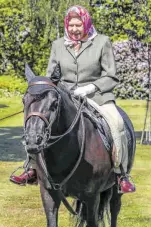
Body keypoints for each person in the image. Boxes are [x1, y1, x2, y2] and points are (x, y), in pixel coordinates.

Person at [10, 5, 135, 193]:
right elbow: (52, 77)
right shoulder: (58, 45)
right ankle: (32, 168)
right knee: (37, 123)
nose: (75, 29)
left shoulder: (102, 42)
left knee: (117, 123)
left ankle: (120, 173)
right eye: (71, 25)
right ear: (66, 25)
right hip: (65, 97)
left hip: (97, 96)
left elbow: (111, 76)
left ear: (86, 23)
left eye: (78, 25)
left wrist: (91, 88)